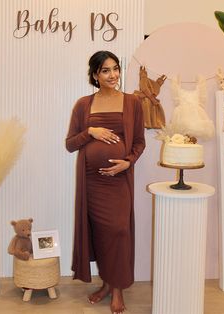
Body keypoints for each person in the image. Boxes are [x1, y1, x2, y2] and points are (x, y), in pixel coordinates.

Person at [65, 50, 145, 314]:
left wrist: (128, 162)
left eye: (116, 68)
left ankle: (118, 289)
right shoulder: (83, 105)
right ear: (95, 75)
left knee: (119, 231)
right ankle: (107, 285)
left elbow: (139, 142)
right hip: (92, 183)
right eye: (106, 71)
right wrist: (90, 131)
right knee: (101, 234)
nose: (113, 75)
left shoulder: (132, 102)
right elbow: (69, 144)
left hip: (119, 180)